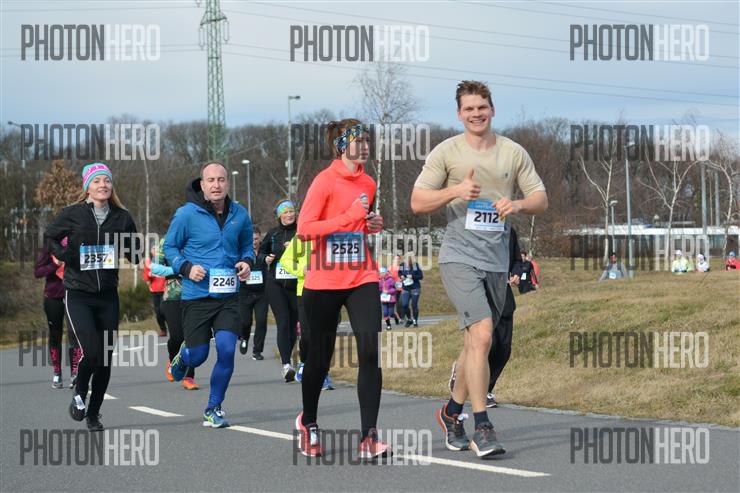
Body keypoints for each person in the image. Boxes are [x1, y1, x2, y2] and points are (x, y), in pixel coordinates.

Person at [411, 80, 547, 458]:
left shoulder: (513, 152)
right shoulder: (447, 152)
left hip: (496, 261)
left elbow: (540, 199)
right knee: (484, 335)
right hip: (459, 257)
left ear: (492, 109)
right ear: (459, 114)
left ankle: (451, 412)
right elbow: (418, 202)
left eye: (482, 107)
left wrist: (517, 205)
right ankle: (482, 426)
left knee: (475, 343)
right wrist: (454, 191)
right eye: (469, 109)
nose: (476, 114)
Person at [295, 118, 389, 458]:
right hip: (324, 280)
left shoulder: (368, 181)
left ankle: (369, 437)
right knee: (319, 359)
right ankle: (309, 422)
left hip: (362, 276)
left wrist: (372, 224)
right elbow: (304, 229)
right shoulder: (324, 181)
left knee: (370, 350)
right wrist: (349, 218)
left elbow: (360, 224)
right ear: (341, 146)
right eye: (357, 141)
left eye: (367, 140)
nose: (364, 146)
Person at [45, 162, 141, 431]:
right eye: (97, 181)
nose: (103, 185)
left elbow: (135, 252)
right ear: (87, 187)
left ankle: (94, 413)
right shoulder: (72, 213)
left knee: (105, 359)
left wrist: (132, 248)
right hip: (78, 294)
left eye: (107, 181)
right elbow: (50, 236)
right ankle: (79, 392)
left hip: (107, 295)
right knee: (92, 351)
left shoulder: (122, 217)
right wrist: (65, 256)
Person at [165, 161, 254, 429]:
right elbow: (170, 247)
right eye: (211, 180)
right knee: (199, 355)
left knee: (226, 350)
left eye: (221, 180)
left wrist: (247, 262)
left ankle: (213, 407)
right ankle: (183, 357)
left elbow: (247, 246)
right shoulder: (186, 214)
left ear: (228, 183)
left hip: (228, 297)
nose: (216, 185)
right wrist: (186, 268)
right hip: (197, 297)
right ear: (202, 185)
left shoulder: (240, 213)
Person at [450, 227, 523, 409]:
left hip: (503, 293)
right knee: (486, 344)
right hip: (479, 291)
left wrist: (516, 272)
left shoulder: (509, 231)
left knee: (504, 350)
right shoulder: (475, 228)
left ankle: (480, 382)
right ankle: (481, 391)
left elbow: (517, 260)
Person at [279, 235, 334, 390]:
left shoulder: (333, 236)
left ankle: (323, 373)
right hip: (305, 289)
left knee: (325, 335)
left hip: (330, 290)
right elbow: (285, 260)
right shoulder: (302, 237)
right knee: (308, 334)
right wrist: (301, 269)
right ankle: (304, 363)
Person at [259, 200, 299, 382]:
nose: (289, 215)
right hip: (275, 284)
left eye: (291, 212)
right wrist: (265, 258)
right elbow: (260, 253)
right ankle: (286, 365)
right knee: (283, 321)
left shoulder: (302, 232)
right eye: (285, 213)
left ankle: (290, 358)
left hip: (296, 283)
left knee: (293, 324)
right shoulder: (273, 233)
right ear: (279, 216)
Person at [151, 237, 198, 390]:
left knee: (192, 337)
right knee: (177, 337)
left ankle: (189, 377)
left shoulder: (199, 237)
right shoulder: (166, 241)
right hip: (172, 295)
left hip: (195, 294)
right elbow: (155, 268)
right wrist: (179, 270)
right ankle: (173, 361)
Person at [34, 239, 81, 389]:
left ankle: (75, 372)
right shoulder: (51, 245)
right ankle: (57, 372)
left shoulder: (77, 240)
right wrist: (55, 264)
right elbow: (38, 272)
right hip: (53, 296)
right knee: (55, 334)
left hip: (74, 294)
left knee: (75, 334)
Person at [238, 227, 269, 361]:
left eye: (256, 239)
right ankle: (244, 338)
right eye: (251, 240)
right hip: (245, 293)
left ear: (260, 238)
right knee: (245, 322)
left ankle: (257, 351)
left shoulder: (265, 250)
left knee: (261, 321)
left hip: (262, 293)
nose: (254, 242)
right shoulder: (242, 252)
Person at [142, 244, 167, 337]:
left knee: (164, 309)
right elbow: (146, 278)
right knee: (158, 312)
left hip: (165, 290)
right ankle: (163, 329)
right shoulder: (148, 262)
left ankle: (173, 327)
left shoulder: (165, 261)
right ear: (151, 251)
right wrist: (149, 276)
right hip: (154, 290)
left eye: (157, 249)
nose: (155, 250)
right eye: (153, 249)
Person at [398, 254, 424, 327]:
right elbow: (399, 273)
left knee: (414, 305)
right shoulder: (401, 265)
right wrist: (401, 276)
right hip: (406, 288)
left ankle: (415, 321)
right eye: (405, 259)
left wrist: (413, 276)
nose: (405, 261)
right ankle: (409, 319)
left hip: (415, 288)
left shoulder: (416, 265)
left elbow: (421, 276)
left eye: (407, 259)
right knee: (404, 305)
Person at [388, 254, 402, 325]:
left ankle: (400, 318)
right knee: (393, 304)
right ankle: (397, 317)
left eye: (399, 259)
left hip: (401, 288)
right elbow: (387, 277)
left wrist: (402, 279)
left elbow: (404, 276)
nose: (397, 260)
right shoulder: (390, 268)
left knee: (400, 304)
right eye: (396, 259)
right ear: (393, 260)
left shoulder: (401, 268)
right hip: (393, 289)